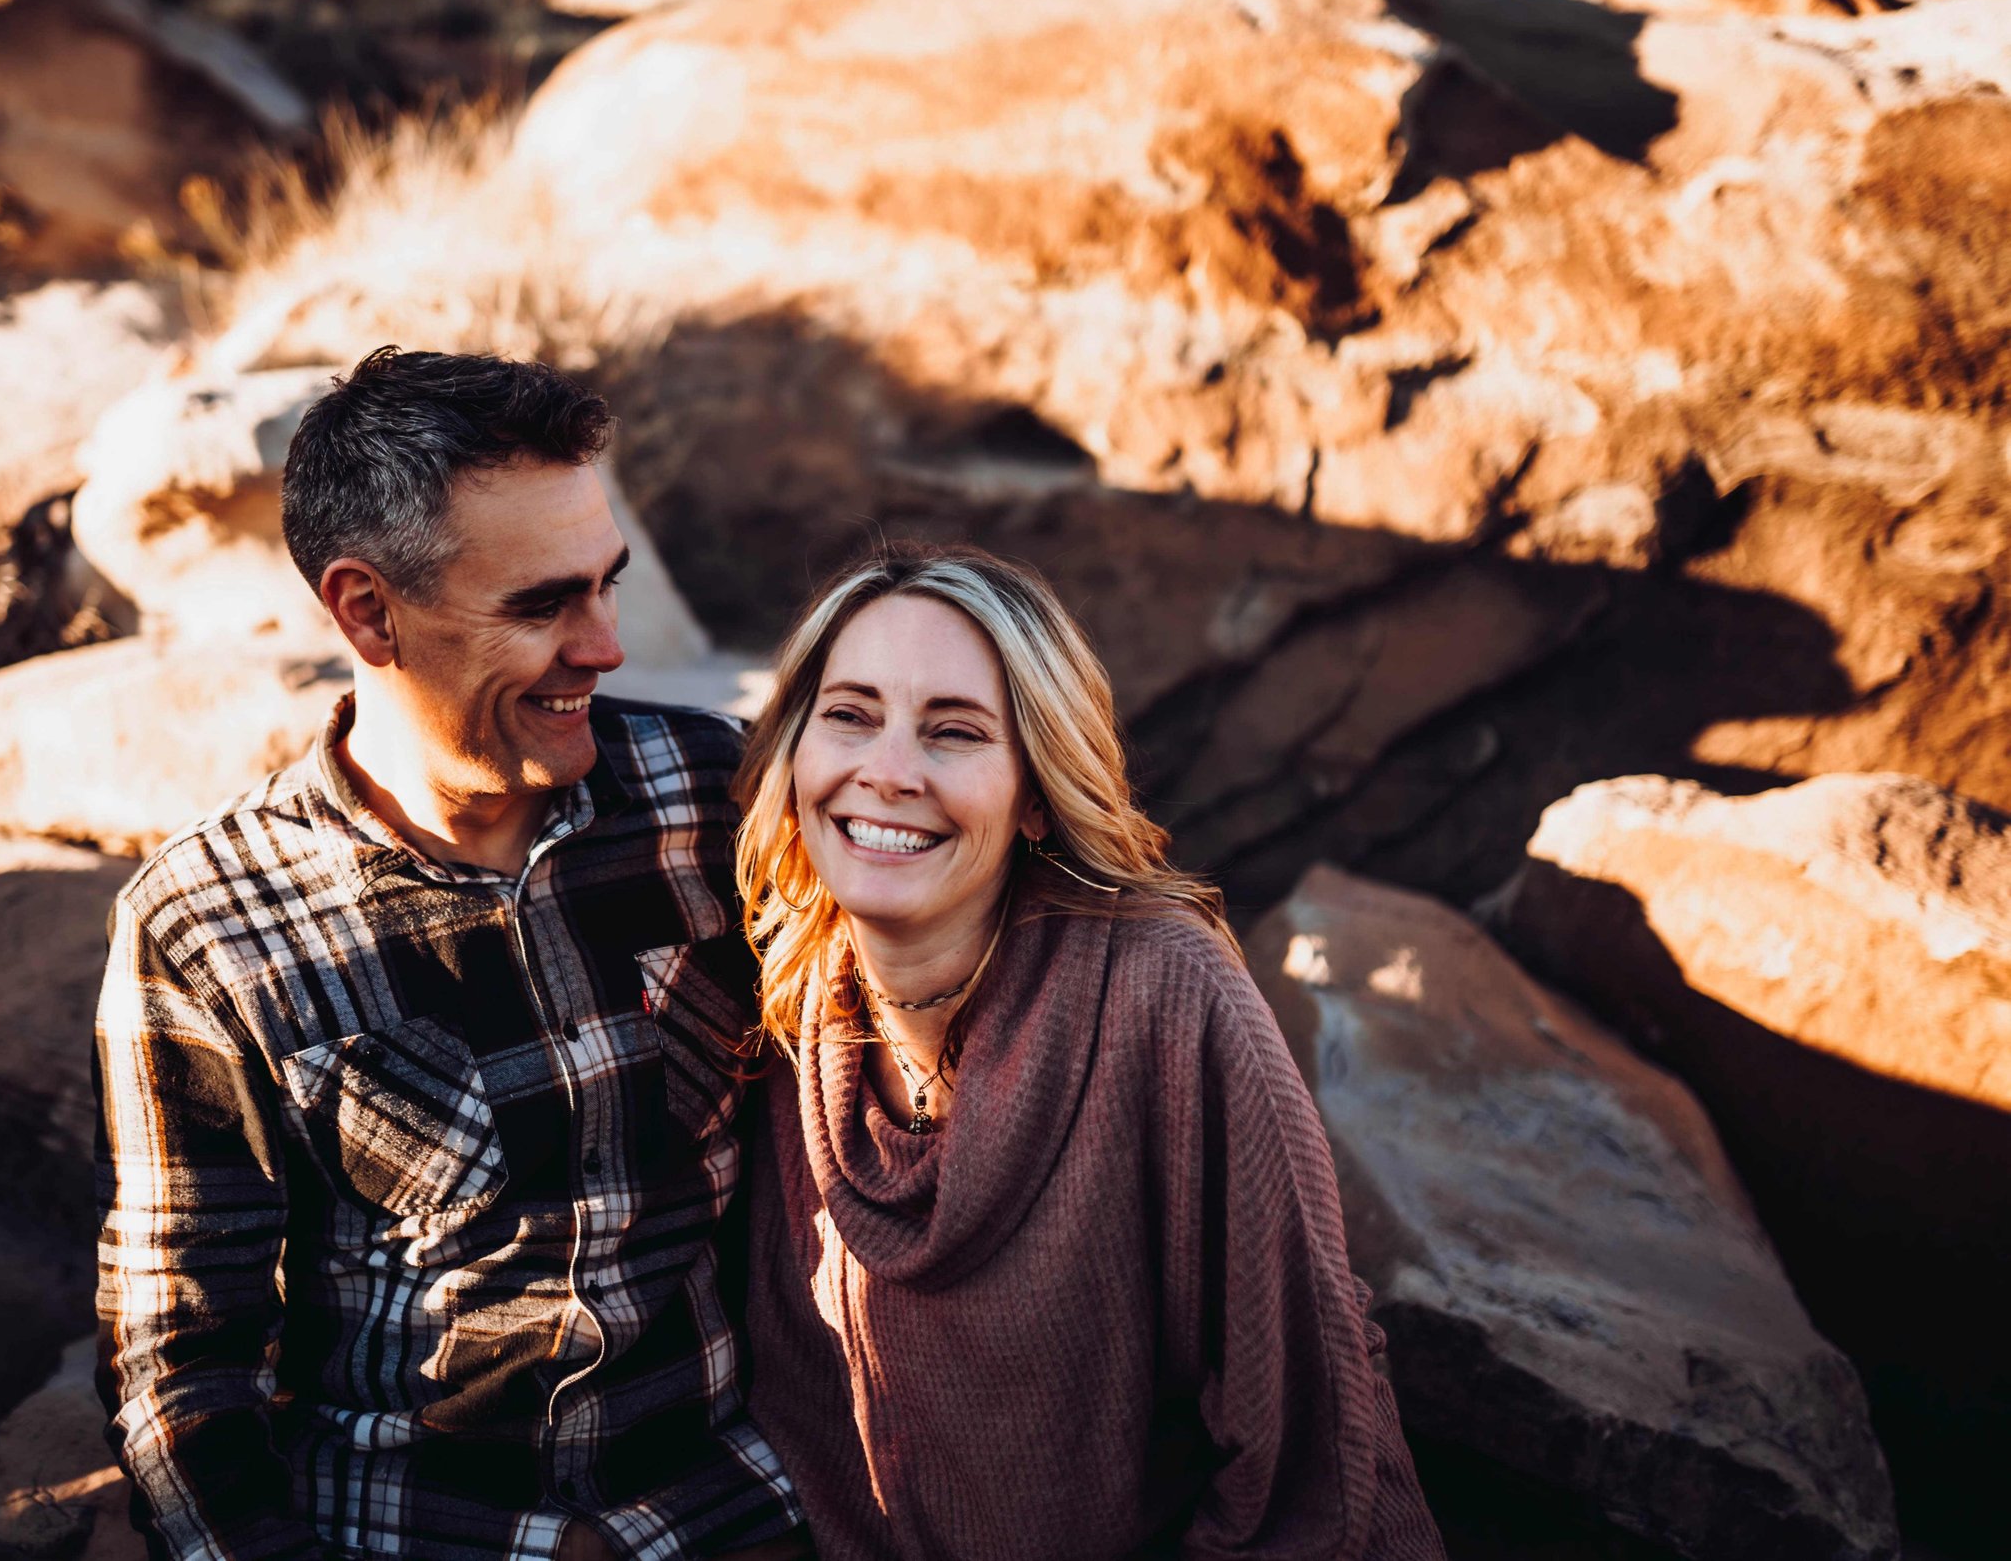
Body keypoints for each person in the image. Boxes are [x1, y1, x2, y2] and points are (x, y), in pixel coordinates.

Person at [93, 348, 806, 1561]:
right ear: (367, 609)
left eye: (606, 585)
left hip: (725, 1508)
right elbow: (180, 1354)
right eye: (542, 605)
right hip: (411, 1528)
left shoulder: (714, 798)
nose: (606, 645)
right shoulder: (207, 918)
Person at [732, 541, 1445, 1561]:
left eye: (955, 731)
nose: (886, 771)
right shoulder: (776, 991)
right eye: (849, 714)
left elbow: (1303, 1414)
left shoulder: (1157, 991)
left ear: (1034, 793)